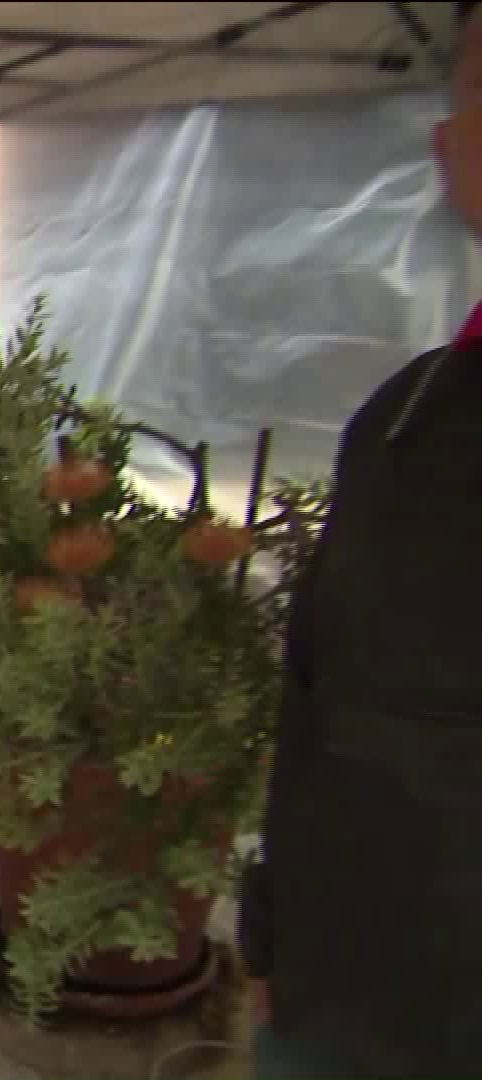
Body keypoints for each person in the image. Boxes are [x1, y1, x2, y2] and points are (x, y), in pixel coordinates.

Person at [239, 3, 482, 1075]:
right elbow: (316, 700)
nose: (451, 130)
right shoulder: (402, 417)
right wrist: (272, 931)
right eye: (469, 95)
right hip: (343, 1005)